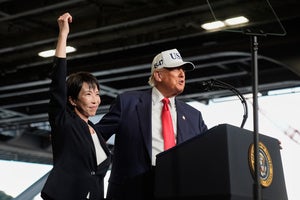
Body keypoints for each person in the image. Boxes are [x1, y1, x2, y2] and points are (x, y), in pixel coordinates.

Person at [96, 48, 208, 200]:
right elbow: (94, 139)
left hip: (179, 190)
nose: (182, 74)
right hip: (132, 191)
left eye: (183, 69)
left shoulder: (194, 116)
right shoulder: (127, 103)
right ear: (158, 75)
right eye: (175, 69)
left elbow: (207, 153)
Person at [41, 12, 111, 200]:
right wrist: (63, 34)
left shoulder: (96, 132)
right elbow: (57, 82)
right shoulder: (64, 122)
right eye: (88, 94)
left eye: (97, 94)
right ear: (72, 100)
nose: (95, 100)